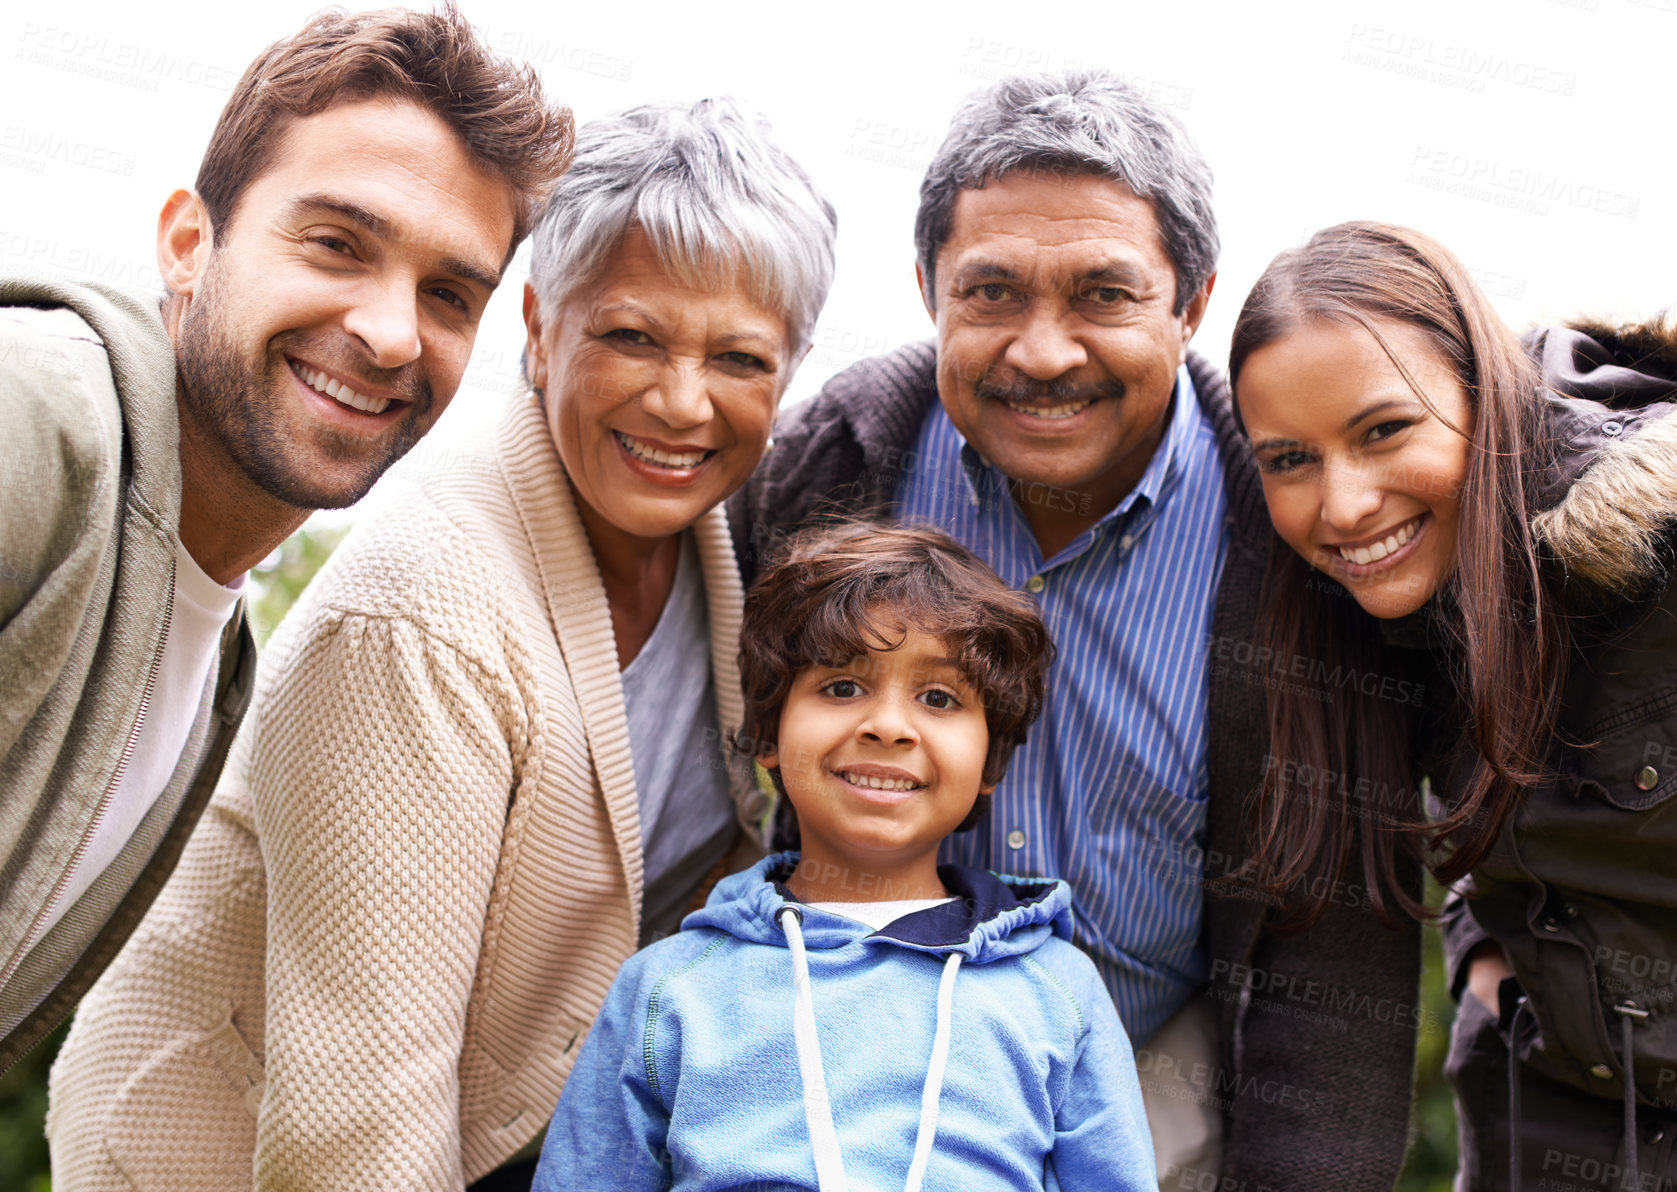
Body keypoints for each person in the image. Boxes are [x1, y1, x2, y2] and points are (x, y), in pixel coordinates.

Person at [45, 97, 837, 1190]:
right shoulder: (426, 608)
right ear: (542, 329)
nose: (682, 401)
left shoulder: (721, 559)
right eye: (632, 335)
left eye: (741, 358)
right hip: (226, 1148)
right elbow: (355, 1127)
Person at [730, 69, 1416, 1188]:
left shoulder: (1300, 532)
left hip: (1163, 1076)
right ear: (927, 291)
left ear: (1190, 302)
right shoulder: (834, 466)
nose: (1042, 354)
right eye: (991, 292)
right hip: (844, 1058)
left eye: (1103, 294)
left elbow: (1333, 942)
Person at [0, 4, 568, 1072]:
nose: (394, 332)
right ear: (187, 242)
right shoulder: (41, 418)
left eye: (449, 293)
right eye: (336, 244)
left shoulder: (218, 654)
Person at [1230, 220, 1677, 1190]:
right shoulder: (1367, 611)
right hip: (1551, 1116)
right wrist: (1484, 949)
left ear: (1483, 397)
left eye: (1383, 430)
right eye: (1289, 459)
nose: (1343, 505)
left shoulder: (1659, 550)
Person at [534, 521, 1156, 1192]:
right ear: (767, 734)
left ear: (990, 762)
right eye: (840, 688)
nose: (886, 725)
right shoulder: (666, 990)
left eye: (938, 698)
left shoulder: (1057, 988)